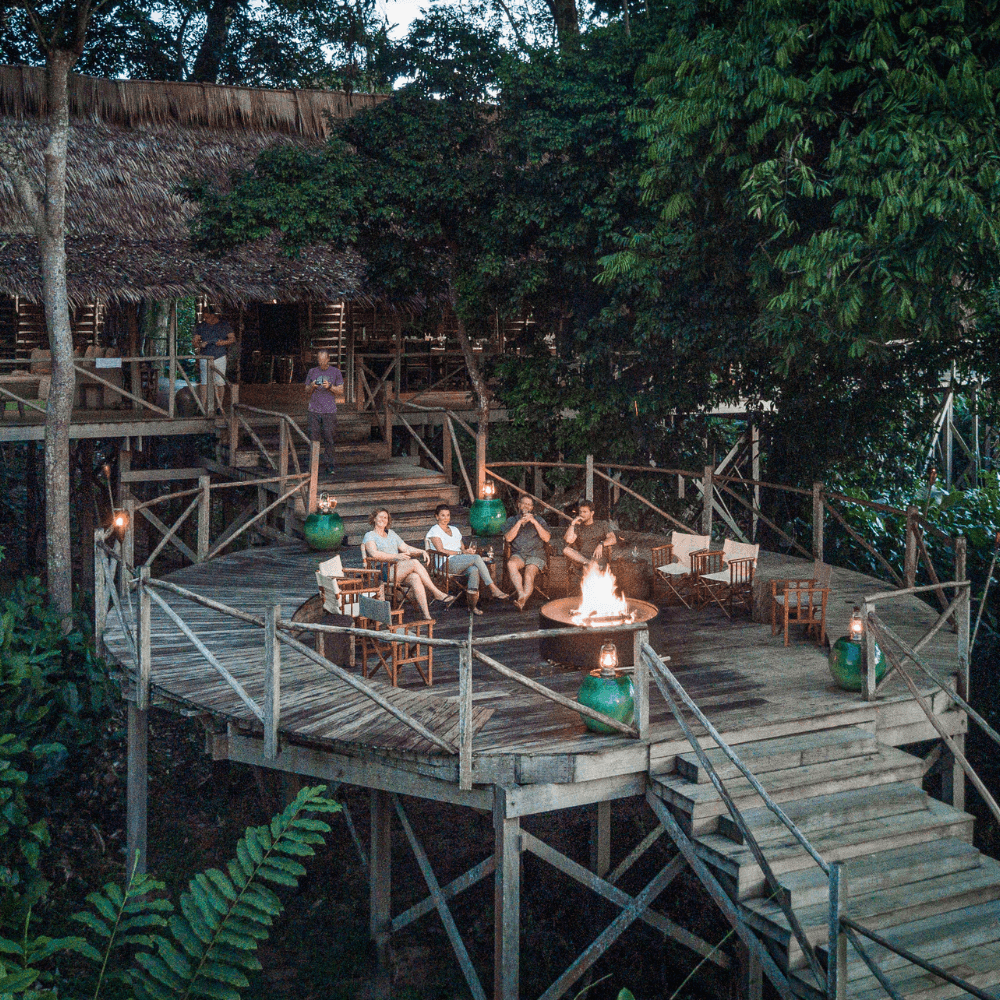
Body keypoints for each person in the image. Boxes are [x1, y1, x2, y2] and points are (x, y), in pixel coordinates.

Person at [362, 508, 456, 620]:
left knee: (415, 577)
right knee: (414, 563)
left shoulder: (391, 533)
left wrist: (421, 551)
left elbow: (405, 548)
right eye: (381, 516)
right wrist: (396, 556)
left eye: (386, 517)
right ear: (374, 518)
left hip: (398, 570)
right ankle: (436, 592)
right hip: (383, 571)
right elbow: (374, 553)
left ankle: (427, 616)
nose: (383, 519)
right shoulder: (370, 535)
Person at [425, 503, 509, 615]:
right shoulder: (434, 530)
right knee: (477, 558)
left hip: (460, 561)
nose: (446, 518)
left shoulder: (455, 529)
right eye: (443, 515)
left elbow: (462, 547)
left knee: (474, 569)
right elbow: (441, 550)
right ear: (437, 516)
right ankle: (493, 588)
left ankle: (472, 606)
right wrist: (462, 553)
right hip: (445, 563)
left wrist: (466, 551)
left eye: (448, 515)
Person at [503, 495, 551, 611]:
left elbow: (547, 538)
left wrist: (534, 522)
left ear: (532, 508)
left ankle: (522, 601)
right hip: (519, 554)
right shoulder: (512, 520)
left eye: (529, 504)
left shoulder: (539, 520)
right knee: (511, 564)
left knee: (529, 573)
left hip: (536, 554)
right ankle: (521, 595)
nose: (526, 506)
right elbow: (508, 538)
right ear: (519, 505)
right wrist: (519, 522)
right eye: (524, 503)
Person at [305, 350, 345, 475]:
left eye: (323, 360)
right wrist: (312, 385)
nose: (321, 362)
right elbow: (306, 391)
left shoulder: (335, 372)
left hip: (329, 411)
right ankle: (313, 466)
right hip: (314, 410)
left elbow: (341, 391)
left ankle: (330, 465)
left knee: (329, 438)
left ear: (328, 359)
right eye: (319, 360)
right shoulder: (312, 372)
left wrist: (330, 387)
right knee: (313, 438)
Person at [193, 309, 235, 415]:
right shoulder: (201, 326)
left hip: (220, 356)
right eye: (204, 317)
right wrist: (199, 344)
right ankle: (202, 406)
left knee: (220, 382)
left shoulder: (224, 325)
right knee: (204, 382)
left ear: (214, 316)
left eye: (208, 317)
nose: (206, 319)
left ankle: (219, 406)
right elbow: (195, 341)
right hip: (205, 356)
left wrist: (222, 343)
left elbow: (232, 339)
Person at [563, 499, 617, 572]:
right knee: (566, 550)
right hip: (582, 558)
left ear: (592, 513)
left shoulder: (602, 524)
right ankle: (590, 564)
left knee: (589, 570)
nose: (582, 514)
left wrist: (601, 544)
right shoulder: (578, 527)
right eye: (580, 512)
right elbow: (568, 540)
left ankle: (592, 565)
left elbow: (613, 539)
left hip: (598, 556)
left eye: (585, 512)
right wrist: (573, 524)